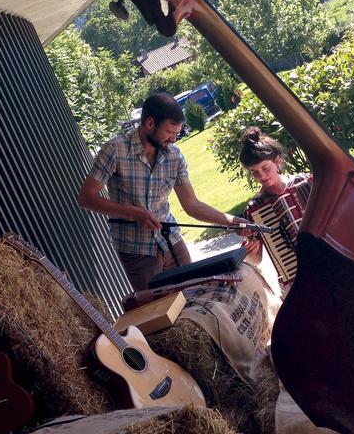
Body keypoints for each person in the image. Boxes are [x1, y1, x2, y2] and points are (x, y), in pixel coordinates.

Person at [78, 92, 248, 290]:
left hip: (172, 241)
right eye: (169, 132)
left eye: (177, 133)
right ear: (150, 123)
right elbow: (86, 198)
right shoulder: (115, 149)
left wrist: (233, 222)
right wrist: (134, 213)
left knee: (194, 296)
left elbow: (192, 205)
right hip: (136, 250)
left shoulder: (175, 156)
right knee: (160, 311)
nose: (174, 139)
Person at [238, 127, 311, 286]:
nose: (261, 176)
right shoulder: (256, 209)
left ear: (277, 161)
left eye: (265, 168)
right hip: (297, 276)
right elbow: (257, 260)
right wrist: (251, 250)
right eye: (254, 172)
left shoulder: (305, 183)